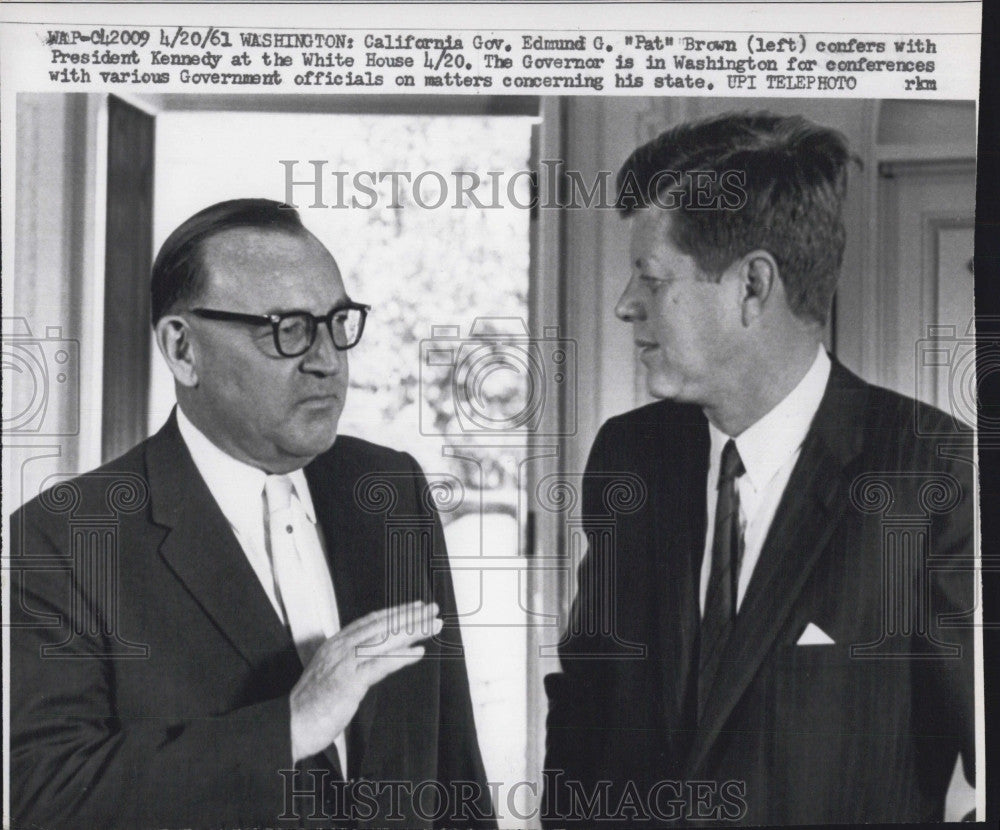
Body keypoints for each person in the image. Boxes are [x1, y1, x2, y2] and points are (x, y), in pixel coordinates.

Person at [542, 112, 976, 826]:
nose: (625, 304)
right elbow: (586, 710)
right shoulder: (629, 457)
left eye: (651, 278)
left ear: (752, 286)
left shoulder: (936, 474)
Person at [10, 199, 495, 829]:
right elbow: (44, 797)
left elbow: (455, 766)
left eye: (336, 322)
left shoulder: (390, 489)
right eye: (287, 327)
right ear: (182, 350)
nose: (327, 359)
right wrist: (290, 727)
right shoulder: (62, 538)